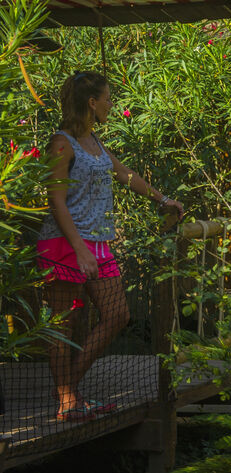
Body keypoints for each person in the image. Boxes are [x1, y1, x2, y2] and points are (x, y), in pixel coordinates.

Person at [36, 71, 184, 421]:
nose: (111, 103)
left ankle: (68, 390)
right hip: (64, 244)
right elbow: (55, 201)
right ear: (92, 102)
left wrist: (164, 200)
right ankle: (69, 400)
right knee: (64, 322)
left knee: (118, 314)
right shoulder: (61, 143)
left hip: (97, 241)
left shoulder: (94, 142)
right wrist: (79, 248)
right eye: (107, 98)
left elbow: (125, 174)